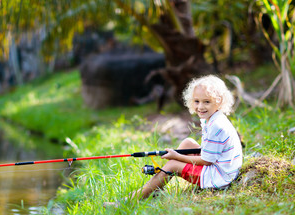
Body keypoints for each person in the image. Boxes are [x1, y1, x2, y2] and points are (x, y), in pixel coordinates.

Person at [104, 75, 243, 207]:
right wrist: (177, 156)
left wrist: (176, 157)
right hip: (222, 168)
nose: (200, 107)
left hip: (220, 177)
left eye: (207, 102)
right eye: (197, 101)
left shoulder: (216, 126)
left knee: (172, 165)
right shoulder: (213, 119)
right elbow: (209, 152)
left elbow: (207, 161)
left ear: (218, 101)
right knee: (187, 143)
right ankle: (157, 185)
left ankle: (131, 200)